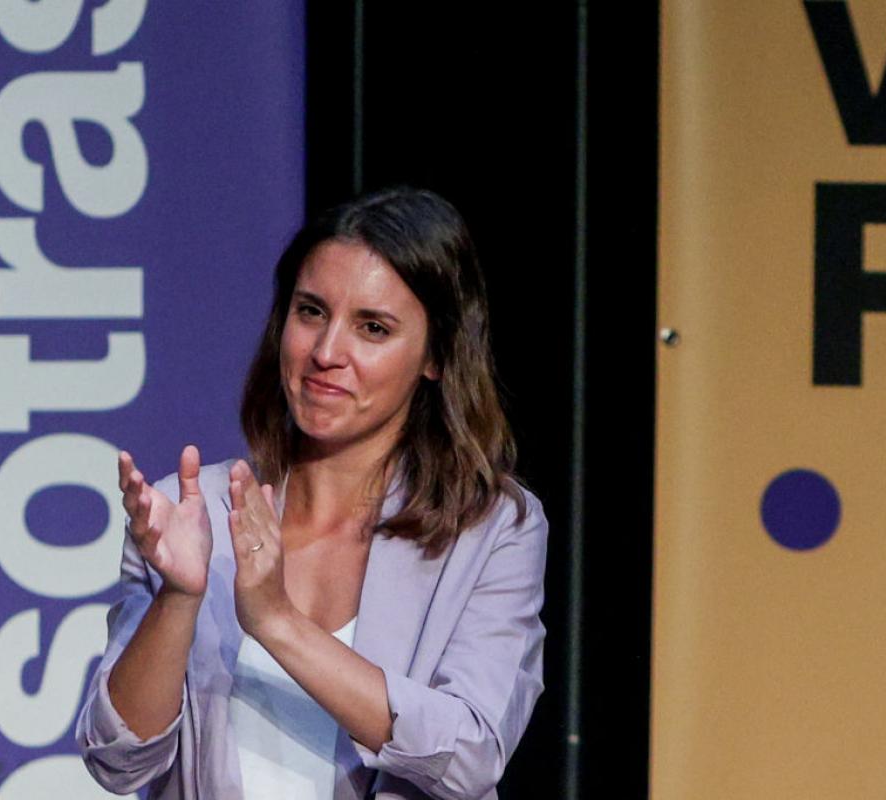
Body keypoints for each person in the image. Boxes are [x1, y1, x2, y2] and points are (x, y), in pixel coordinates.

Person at [76, 187, 547, 799]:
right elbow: (119, 763)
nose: (327, 353)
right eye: (311, 312)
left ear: (436, 356)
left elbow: (471, 756)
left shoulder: (488, 528)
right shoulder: (196, 512)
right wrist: (178, 598)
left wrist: (277, 622)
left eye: (372, 328)